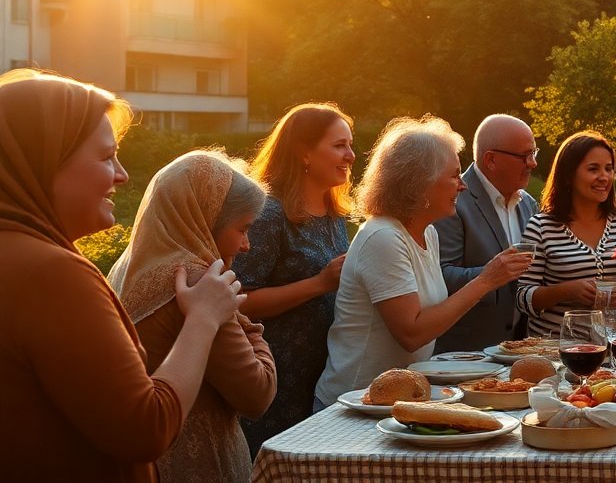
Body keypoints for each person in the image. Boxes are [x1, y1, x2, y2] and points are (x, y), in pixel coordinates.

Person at [0, 69, 243, 482]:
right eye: (105, 156)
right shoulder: (51, 274)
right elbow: (146, 427)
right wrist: (203, 318)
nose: (122, 174)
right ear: (45, 161)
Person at [314, 116, 531, 407]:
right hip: (355, 402)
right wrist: (486, 280)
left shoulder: (428, 232)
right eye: (455, 176)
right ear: (420, 182)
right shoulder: (383, 237)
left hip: (398, 398)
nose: (463, 186)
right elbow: (411, 334)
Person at [108, 151, 277, 483]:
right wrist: (248, 323)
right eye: (242, 229)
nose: (246, 245)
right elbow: (257, 393)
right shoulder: (201, 282)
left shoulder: (129, 268)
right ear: (205, 220)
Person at [232, 103, 354, 455]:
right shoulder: (269, 213)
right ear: (304, 151)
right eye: (338, 145)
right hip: (277, 377)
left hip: (324, 373)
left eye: (350, 144)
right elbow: (240, 301)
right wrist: (319, 283)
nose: (350, 155)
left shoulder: (334, 214)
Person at [516, 130, 616, 336]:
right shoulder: (541, 227)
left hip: (613, 355)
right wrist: (568, 290)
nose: (604, 177)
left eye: (609, 169)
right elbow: (523, 296)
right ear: (568, 175)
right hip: (555, 353)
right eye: (593, 169)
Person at [432, 114, 541, 352]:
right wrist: (491, 274)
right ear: (491, 160)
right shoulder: (452, 202)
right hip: (463, 355)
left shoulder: (528, 203)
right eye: (524, 156)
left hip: (514, 352)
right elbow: (438, 277)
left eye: (534, 153)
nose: (532, 163)